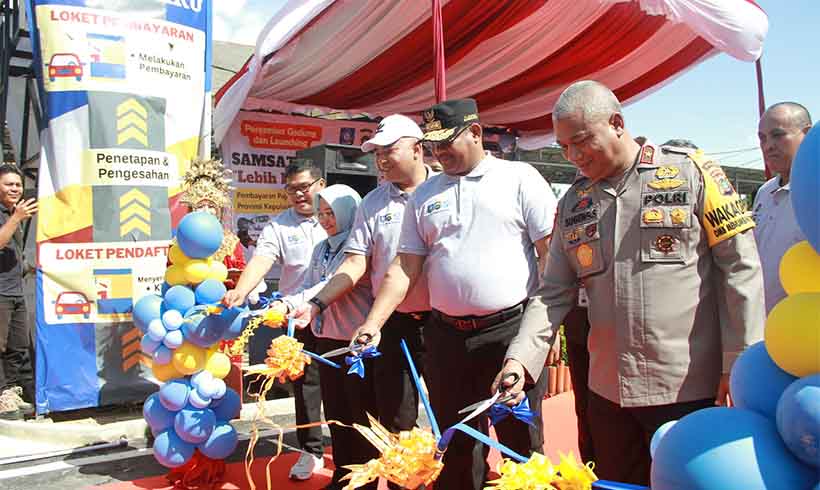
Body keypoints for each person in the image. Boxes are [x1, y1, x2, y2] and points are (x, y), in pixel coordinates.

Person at [497, 80, 765, 486]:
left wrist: (740, 364)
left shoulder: (690, 172)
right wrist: (520, 360)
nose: (572, 156)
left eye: (581, 141)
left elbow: (740, 269)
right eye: (564, 146)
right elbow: (552, 293)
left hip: (687, 388)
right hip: (608, 394)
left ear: (617, 124)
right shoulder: (573, 203)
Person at [349, 99, 559, 489]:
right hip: (446, 338)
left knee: (520, 444)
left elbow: (551, 258)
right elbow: (404, 267)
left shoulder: (519, 177)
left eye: (448, 141)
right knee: (455, 443)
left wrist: (545, 330)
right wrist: (373, 323)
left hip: (511, 333)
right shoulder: (425, 194)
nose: (440, 151)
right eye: (433, 144)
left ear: (476, 132)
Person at [291, 114, 433, 490]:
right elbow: (355, 263)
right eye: (376, 154)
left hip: (446, 322)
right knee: (395, 422)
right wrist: (317, 304)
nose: (381, 160)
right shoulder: (373, 202)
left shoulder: (446, 190)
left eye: (389, 151)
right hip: (393, 323)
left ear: (418, 149)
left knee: (451, 419)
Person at [223, 160, 327, 480]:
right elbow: (262, 260)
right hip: (297, 317)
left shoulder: (340, 216)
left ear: (320, 185)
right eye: (292, 189)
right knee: (306, 389)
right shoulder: (279, 226)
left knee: (350, 388)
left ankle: (356, 448)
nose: (298, 194)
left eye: (304, 187)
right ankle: (311, 451)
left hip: (342, 314)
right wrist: (241, 290)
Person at [279, 184, 378, 490]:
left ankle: (364, 482)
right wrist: (284, 302)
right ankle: (343, 478)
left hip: (357, 343)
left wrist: (294, 303)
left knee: (361, 416)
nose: (325, 220)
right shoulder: (322, 247)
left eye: (331, 213)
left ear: (350, 212)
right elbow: (309, 284)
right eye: (321, 213)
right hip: (327, 341)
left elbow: (324, 287)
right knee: (336, 414)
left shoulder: (357, 247)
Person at [753, 102, 812, 313]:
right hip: (766, 325)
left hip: (804, 327)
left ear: (807, 134)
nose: (767, 146)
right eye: (762, 138)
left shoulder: (813, 191)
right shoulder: (764, 192)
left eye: (777, 135)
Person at [0, 164, 37, 420]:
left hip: (16, 291)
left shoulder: (14, 213)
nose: (15, 188)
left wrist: (30, 267)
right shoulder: (11, 216)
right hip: (0, 293)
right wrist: (15, 218)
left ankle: (11, 390)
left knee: (18, 346)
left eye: (18, 184)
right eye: (8, 184)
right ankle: (1, 394)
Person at [178, 157, 246, 285]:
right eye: (200, 206)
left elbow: (241, 274)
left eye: (211, 206)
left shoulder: (230, 242)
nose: (206, 211)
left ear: (218, 210)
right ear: (191, 209)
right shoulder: (180, 242)